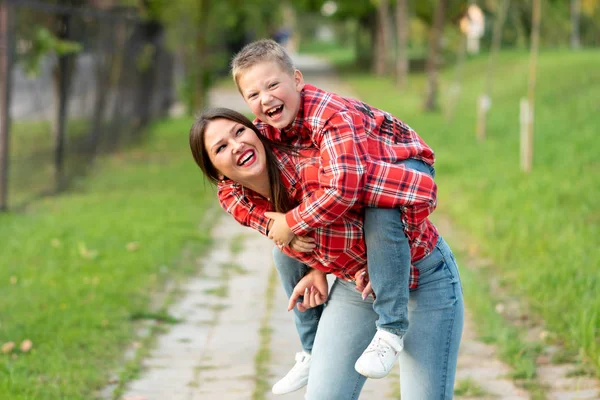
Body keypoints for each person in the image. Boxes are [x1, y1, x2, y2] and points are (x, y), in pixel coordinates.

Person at [189, 108, 464, 399]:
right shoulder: (237, 196)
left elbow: (398, 199)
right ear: (217, 172)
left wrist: (385, 263)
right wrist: (315, 268)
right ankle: (310, 351)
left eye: (239, 132)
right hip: (356, 287)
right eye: (221, 147)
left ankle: (387, 325)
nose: (236, 145)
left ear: (256, 131)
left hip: (424, 273)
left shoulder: (307, 165)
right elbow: (311, 232)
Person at [226, 38, 438, 387]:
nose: (264, 99)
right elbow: (236, 188)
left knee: (381, 216)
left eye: (273, 85)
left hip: (400, 165)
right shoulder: (266, 130)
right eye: (253, 94)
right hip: (363, 178)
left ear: (297, 79)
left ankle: (391, 329)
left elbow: (343, 190)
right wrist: (281, 234)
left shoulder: (329, 113)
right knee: (283, 254)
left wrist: (290, 223)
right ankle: (311, 350)